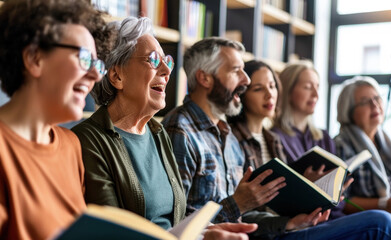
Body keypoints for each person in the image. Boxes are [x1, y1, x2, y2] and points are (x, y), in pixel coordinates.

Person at [162, 37, 391, 240]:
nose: (246, 81)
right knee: (380, 222)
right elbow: (178, 226)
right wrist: (239, 203)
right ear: (204, 78)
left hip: (262, 232)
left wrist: (289, 222)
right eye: (237, 71)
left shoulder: (226, 137)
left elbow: (243, 216)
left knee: (389, 224)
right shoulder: (180, 130)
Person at [71, 16, 257, 240]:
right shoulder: (87, 141)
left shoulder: (158, 134)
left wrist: (206, 233)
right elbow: (114, 234)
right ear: (117, 75)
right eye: (152, 60)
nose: (166, 71)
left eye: (166, 61)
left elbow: (174, 225)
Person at [0, 0, 111, 239]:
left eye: (97, 65)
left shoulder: (71, 146)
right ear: (34, 59)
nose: (94, 76)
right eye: (83, 58)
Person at [334, 76, 391, 239]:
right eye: (365, 101)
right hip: (382, 221)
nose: (374, 104)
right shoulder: (341, 144)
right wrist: (389, 205)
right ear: (348, 111)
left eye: (377, 98)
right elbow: (343, 202)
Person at [271, 60, 347, 220]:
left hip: (333, 217)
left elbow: (338, 202)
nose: (316, 94)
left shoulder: (323, 137)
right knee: (380, 220)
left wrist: (338, 189)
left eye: (317, 87)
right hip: (304, 222)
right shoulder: (274, 137)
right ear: (288, 90)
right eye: (307, 87)